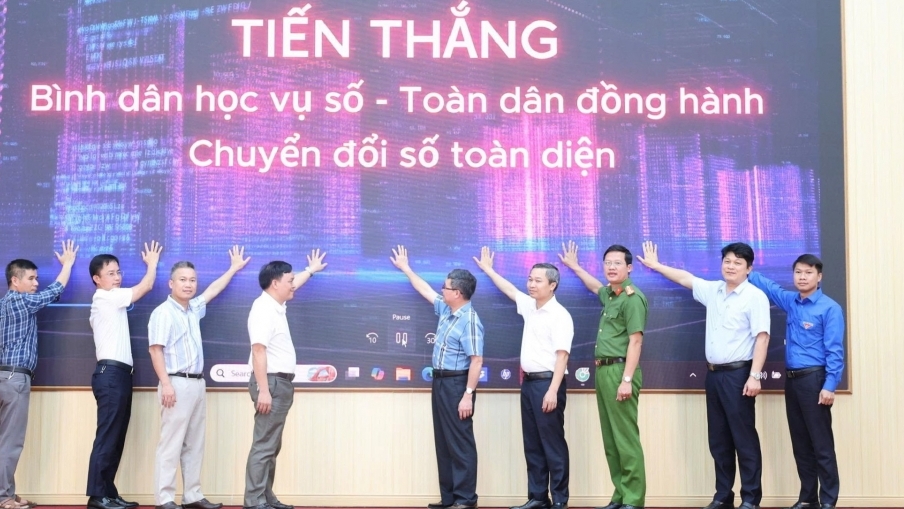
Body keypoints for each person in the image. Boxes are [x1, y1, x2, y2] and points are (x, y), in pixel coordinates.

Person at [637, 241, 769, 509]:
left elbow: (762, 338)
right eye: (727, 261)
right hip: (714, 376)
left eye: (737, 263)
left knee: (743, 439)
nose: (730, 266)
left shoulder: (755, 297)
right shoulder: (714, 290)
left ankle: (751, 498)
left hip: (739, 375)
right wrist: (656, 265)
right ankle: (723, 495)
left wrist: (755, 375)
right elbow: (685, 278)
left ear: (748, 269)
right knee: (719, 439)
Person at [149, 246, 251, 509]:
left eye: (192, 280)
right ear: (171, 283)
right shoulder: (163, 312)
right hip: (175, 383)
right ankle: (165, 499)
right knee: (171, 444)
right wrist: (166, 384)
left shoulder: (193, 308)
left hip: (197, 383)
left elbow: (213, 290)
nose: (188, 284)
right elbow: (155, 350)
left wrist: (233, 268)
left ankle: (192, 495)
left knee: (195, 443)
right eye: (182, 280)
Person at [473, 247, 572, 509]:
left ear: (552, 285)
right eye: (530, 279)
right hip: (528, 384)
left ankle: (560, 500)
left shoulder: (560, 315)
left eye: (538, 280)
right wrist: (489, 270)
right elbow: (509, 289)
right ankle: (538, 497)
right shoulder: (530, 306)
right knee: (533, 444)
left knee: (552, 444)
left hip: (548, 384)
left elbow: (562, 357)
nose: (531, 284)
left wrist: (552, 391)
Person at [747, 255, 844, 509]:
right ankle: (808, 498)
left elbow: (835, 351)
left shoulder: (830, 308)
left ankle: (828, 501)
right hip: (792, 381)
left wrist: (830, 385)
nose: (802, 277)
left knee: (821, 444)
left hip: (815, 380)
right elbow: (771, 288)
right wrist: (748, 270)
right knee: (800, 443)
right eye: (798, 272)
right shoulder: (791, 301)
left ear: (819, 276)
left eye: (808, 272)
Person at [390, 245, 483, 509]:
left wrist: (468, 395)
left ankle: (466, 499)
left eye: (445, 287)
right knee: (443, 441)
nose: (441, 289)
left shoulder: (469, 320)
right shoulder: (446, 309)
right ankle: (449, 498)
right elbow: (425, 290)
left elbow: (477, 360)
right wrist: (406, 268)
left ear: (457, 293)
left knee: (460, 442)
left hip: (458, 384)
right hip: (440, 381)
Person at [560, 242, 647, 509]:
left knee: (625, 438)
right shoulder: (610, 295)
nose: (611, 267)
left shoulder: (632, 298)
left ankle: (633, 499)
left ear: (629, 268)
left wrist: (626, 380)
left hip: (620, 371)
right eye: (607, 262)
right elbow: (594, 286)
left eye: (617, 263)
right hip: (603, 370)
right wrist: (575, 266)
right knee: (611, 439)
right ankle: (620, 495)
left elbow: (636, 342)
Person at [243, 250, 327, 509]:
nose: (293, 285)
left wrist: (310, 270)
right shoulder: (263, 309)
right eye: (289, 280)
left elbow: (294, 283)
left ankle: (266, 497)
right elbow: (258, 350)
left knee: (271, 446)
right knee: (264, 445)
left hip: (279, 384)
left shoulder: (275, 305)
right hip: (271, 384)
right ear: (275, 283)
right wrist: (264, 390)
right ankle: (254, 501)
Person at [0, 241, 78, 509]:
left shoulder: (3, 305)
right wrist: (68, 264)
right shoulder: (21, 301)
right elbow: (55, 291)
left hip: (4, 377)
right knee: (10, 442)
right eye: (31, 278)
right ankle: (3, 497)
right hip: (15, 379)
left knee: (5, 440)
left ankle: (8, 491)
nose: (36, 283)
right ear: (15, 280)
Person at [87, 241, 163, 509]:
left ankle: (108, 492)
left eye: (118, 272)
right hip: (110, 375)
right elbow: (145, 287)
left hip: (118, 375)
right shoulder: (105, 297)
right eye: (110, 273)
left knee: (116, 438)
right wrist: (152, 264)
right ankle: (97, 496)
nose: (117, 277)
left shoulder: (113, 300)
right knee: (108, 436)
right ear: (97, 279)